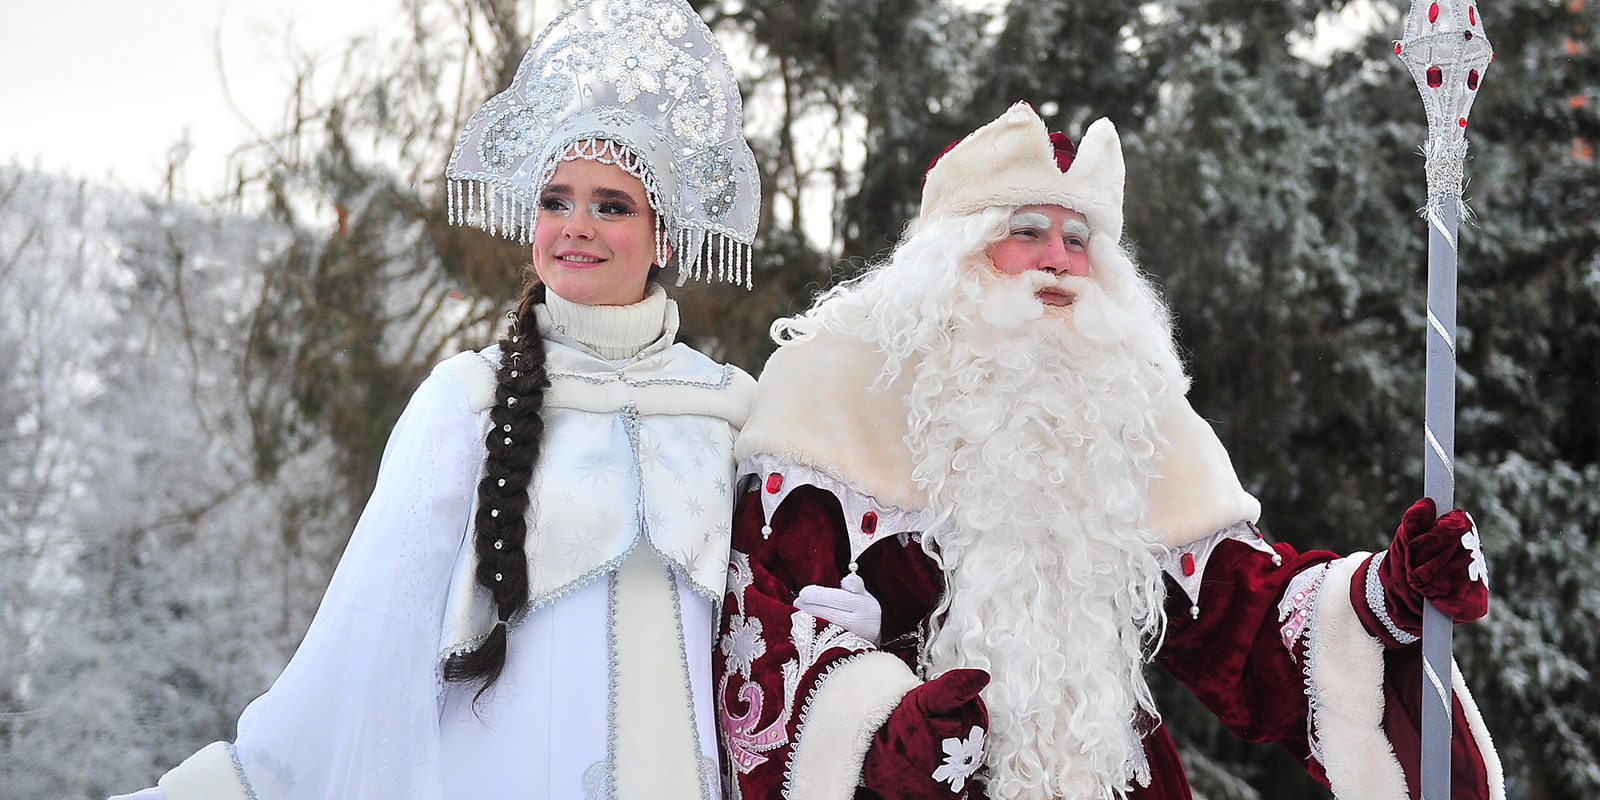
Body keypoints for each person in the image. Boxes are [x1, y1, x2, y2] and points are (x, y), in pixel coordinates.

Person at [714, 102, 1502, 800]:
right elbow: (766, 615)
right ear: (956, 252)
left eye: (1077, 238)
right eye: (1026, 231)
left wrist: (1386, 596)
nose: (1058, 258)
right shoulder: (840, 385)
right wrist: (887, 735)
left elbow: (1244, 619)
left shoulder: (1129, 414)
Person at [110, 1, 759, 798]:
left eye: (611, 205)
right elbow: (370, 629)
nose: (575, 225)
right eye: (555, 199)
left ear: (666, 235)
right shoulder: (466, 401)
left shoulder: (732, 410)